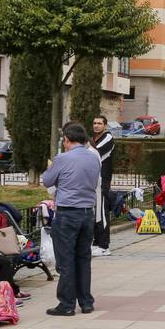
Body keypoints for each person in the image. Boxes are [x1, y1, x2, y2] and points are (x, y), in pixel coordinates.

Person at [41, 122, 101, 316]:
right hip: (87, 213)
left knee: (66, 260)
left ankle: (66, 304)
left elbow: (47, 181)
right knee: (83, 258)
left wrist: (52, 168)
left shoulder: (62, 158)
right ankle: (86, 302)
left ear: (67, 139)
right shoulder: (94, 158)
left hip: (67, 213)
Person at [90, 115, 114, 257]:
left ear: (105, 125)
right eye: (94, 123)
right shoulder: (93, 139)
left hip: (102, 181)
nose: (96, 125)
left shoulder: (108, 138)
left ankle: (104, 245)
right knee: (95, 213)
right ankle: (96, 243)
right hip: (93, 181)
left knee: (102, 213)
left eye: (99, 123)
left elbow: (95, 154)